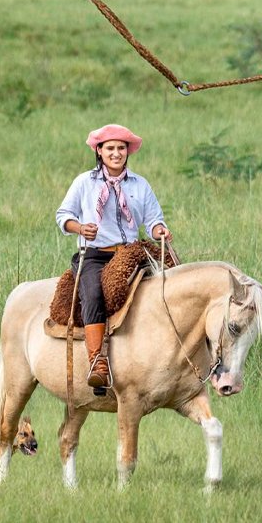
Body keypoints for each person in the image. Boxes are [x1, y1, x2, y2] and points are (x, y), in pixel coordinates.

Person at [55, 124, 172, 389]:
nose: (116, 153)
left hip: (131, 253)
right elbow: (63, 215)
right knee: (93, 294)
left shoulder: (140, 184)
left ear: (128, 151)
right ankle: (97, 362)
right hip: (95, 255)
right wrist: (80, 228)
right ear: (99, 151)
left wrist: (159, 231)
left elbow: (153, 219)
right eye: (110, 148)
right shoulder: (84, 182)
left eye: (121, 148)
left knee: (169, 284)